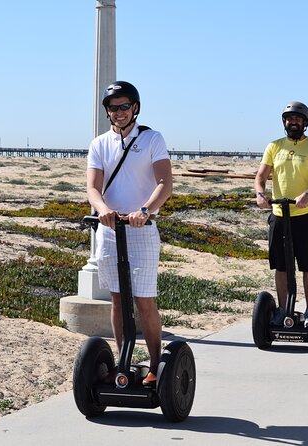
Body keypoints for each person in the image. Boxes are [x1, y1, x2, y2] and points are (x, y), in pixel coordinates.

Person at [86, 81, 173, 386]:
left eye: (124, 106)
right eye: (113, 107)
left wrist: (145, 210)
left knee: (144, 300)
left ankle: (153, 365)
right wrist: (102, 210)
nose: (119, 112)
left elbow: (165, 183)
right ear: (107, 112)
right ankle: (122, 361)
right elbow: (93, 188)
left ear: (135, 107)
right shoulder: (99, 144)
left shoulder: (152, 139)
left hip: (142, 228)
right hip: (110, 229)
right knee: (117, 298)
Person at [254, 101, 308, 327]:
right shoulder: (274, 146)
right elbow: (261, 176)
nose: (292, 122)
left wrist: (307, 194)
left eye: (297, 118)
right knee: (281, 265)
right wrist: (260, 194)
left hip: (306, 214)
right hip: (279, 213)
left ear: (305, 122)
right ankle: (284, 308)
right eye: (289, 118)